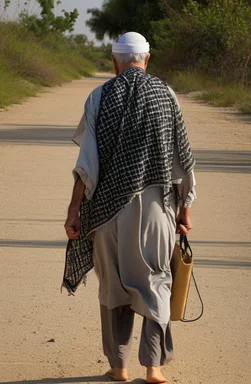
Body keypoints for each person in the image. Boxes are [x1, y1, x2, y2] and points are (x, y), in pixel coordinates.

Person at [63, 32, 196, 383]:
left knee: (113, 286)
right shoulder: (166, 95)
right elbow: (182, 159)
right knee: (155, 282)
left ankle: (119, 367)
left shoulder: (99, 96)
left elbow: (86, 164)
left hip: (107, 211)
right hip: (156, 209)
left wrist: (74, 211)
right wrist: (185, 209)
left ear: (114, 61)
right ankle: (153, 367)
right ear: (147, 59)